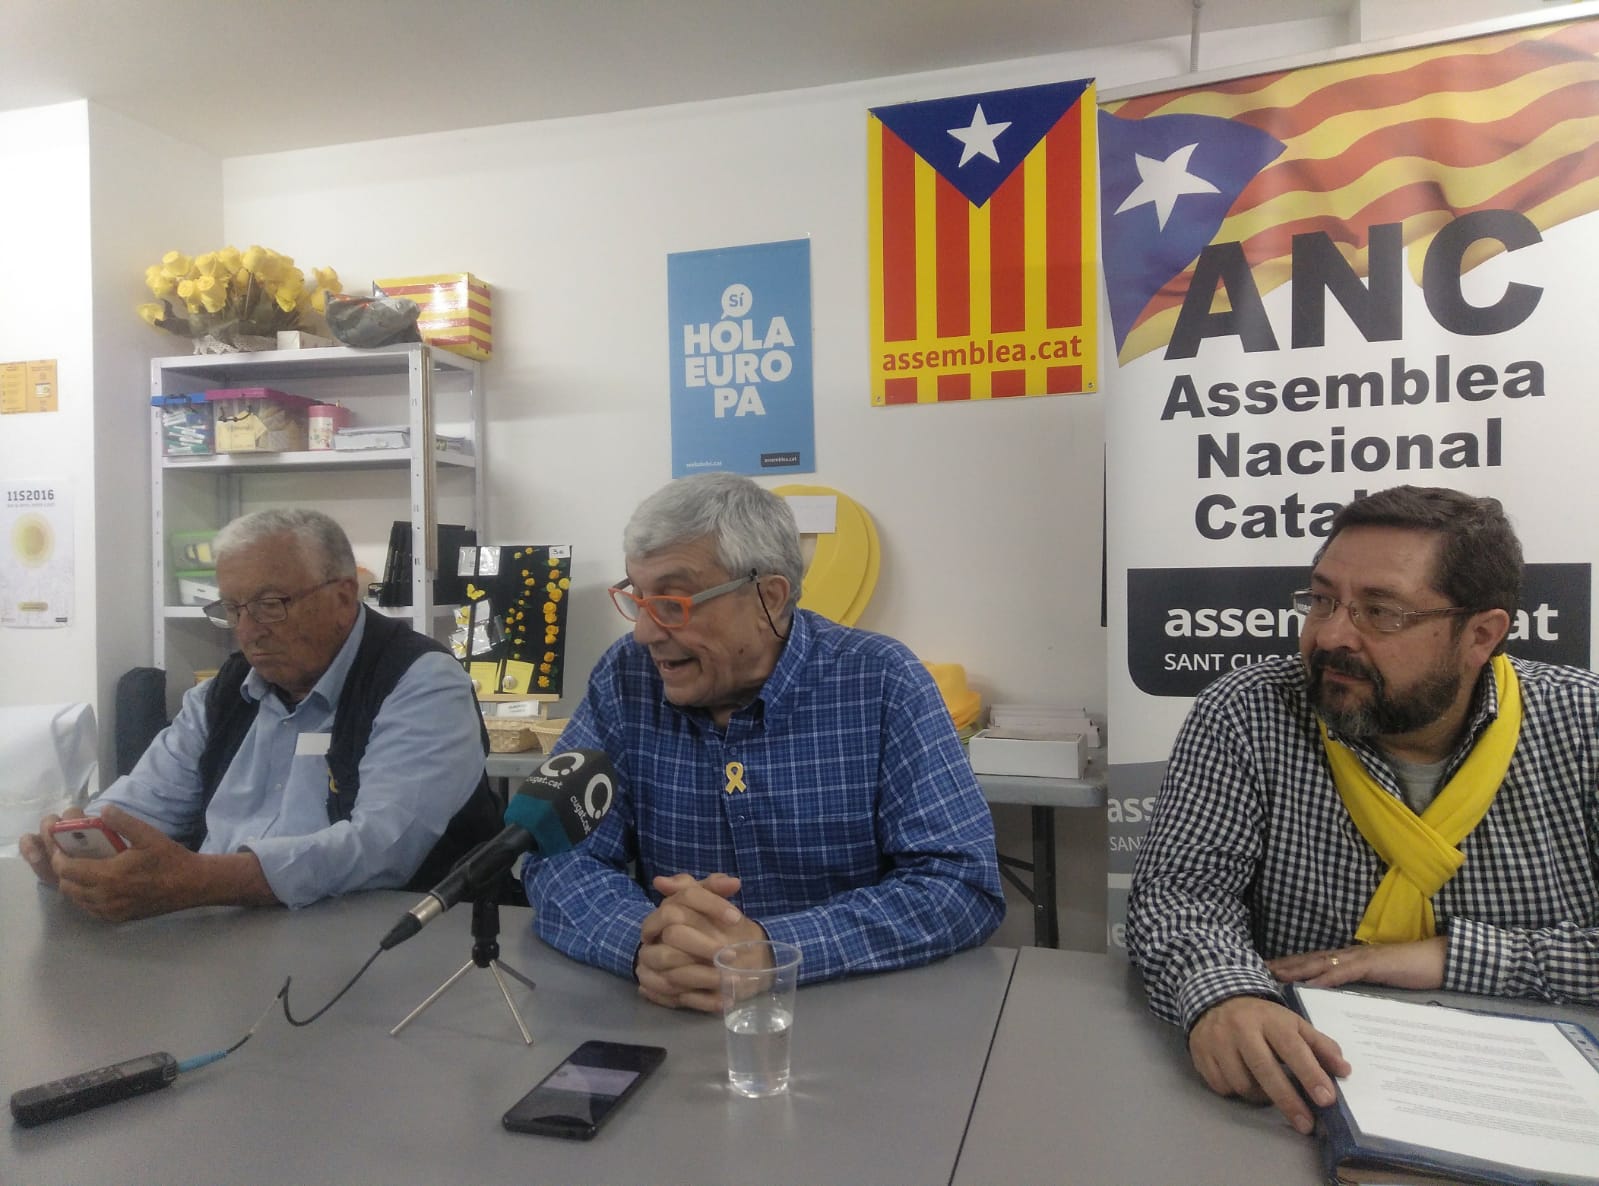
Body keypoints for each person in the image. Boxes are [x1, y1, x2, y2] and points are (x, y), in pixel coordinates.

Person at [1126, 485, 1599, 1135]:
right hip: (1301, 1091)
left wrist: (1443, 956)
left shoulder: (1584, 725)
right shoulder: (1248, 711)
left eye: (1380, 612)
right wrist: (1225, 993)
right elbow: (1180, 893)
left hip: (1537, 1102)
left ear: (1479, 635)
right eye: (1321, 600)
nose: (1330, 635)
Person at [524, 473, 1004, 1011]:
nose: (645, 633)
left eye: (674, 603)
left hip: (855, 1018)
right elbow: (557, 858)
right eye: (638, 597)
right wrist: (644, 943)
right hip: (672, 1014)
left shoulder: (882, 682)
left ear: (768, 599)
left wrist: (772, 954)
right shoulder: (626, 680)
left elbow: (959, 884)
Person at [20, 508, 499, 921]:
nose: (249, 631)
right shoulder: (225, 694)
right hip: (219, 938)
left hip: (378, 947)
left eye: (271, 606)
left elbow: (380, 849)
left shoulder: (419, 682)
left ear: (343, 597)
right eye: (233, 609)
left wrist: (202, 881)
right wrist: (78, 847)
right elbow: (139, 807)